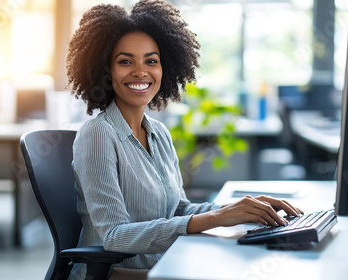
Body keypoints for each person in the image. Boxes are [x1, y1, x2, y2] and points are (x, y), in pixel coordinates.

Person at [66, 1, 303, 279]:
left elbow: (178, 209)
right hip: (118, 274)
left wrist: (239, 209)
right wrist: (215, 219)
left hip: (165, 265)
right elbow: (114, 237)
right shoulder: (98, 135)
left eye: (151, 61)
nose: (141, 72)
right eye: (125, 61)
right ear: (106, 71)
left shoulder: (159, 133)